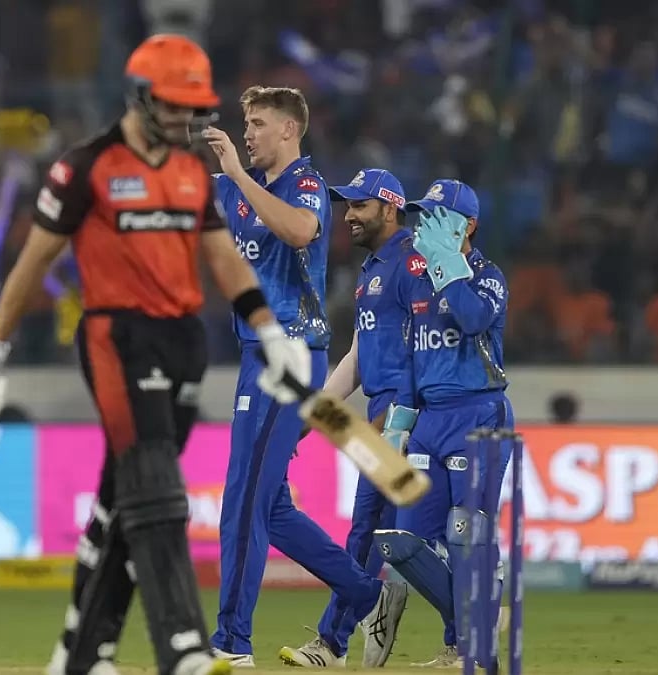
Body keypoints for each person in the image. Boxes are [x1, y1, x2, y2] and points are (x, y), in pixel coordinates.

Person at [0, 34, 312, 675]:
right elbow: (35, 260)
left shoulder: (191, 171)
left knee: (123, 495)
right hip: (116, 337)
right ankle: (183, 646)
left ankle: (81, 651)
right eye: (172, 107)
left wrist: (269, 328)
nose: (182, 121)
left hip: (184, 343)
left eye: (190, 110)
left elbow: (222, 256)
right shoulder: (84, 166)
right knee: (155, 485)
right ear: (141, 97)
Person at [202, 93, 408, 669]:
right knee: (269, 508)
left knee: (243, 500)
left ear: (290, 129)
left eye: (259, 123)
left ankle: (233, 643)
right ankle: (365, 591)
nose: (248, 133)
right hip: (256, 353)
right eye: (246, 124)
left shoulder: (305, 182)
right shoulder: (233, 189)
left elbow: (298, 231)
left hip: (288, 353)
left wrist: (238, 176)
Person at [276, 168, 415, 668]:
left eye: (359, 206)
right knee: (373, 535)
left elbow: (428, 350)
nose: (348, 216)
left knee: (398, 538)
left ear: (389, 207)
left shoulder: (412, 264)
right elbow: (356, 359)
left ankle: (467, 632)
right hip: (381, 417)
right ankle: (335, 643)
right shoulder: (372, 270)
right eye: (347, 206)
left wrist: (404, 418)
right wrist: (306, 419)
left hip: (408, 418)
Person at [374, 179, 514, 669]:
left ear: (468, 225)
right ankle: (473, 626)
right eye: (422, 215)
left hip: (479, 414)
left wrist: (450, 269)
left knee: (464, 534)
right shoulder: (418, 285)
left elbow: (474, 318)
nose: (423, 226)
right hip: (429, 421)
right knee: (405, 543)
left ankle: (468, 646)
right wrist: (399, 424)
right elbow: (415, 359)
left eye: (437, 216)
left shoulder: (486, 276)